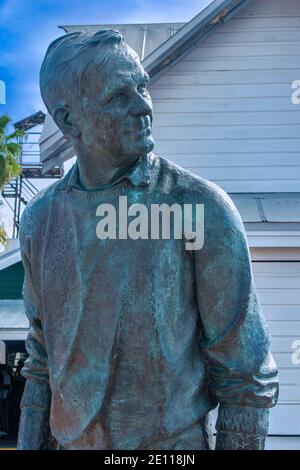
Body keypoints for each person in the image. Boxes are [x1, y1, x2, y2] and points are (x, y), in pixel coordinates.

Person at [17, 30, 279, 450]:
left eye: (143, 86)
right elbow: (41, 361)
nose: (143, 107)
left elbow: (246, 377)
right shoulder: (39, 221)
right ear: (68, 121)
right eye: (118, 96)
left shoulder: (199, 208)